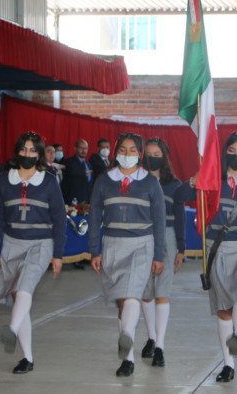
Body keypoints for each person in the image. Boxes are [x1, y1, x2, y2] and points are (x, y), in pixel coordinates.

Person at [173, 130, 237, 383]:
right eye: (231, 151)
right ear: (224, 152)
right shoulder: (211, 180)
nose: (236, 156)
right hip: (217, 248)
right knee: (224, 309)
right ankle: (228, 364)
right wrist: (194, 182)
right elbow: (179, 196)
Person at [88, 132, 166, 377]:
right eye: (123, 149)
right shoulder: (104, 180)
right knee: (122, 301)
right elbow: (93, 217)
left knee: (132, 294)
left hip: (142, 244)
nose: (128, 154)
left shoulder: (151, 182)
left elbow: (159, 220)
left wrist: (159, 255)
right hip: (112, 244)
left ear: (140, 154)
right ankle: (128, 356)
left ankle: (126, 345)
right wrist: (94, 250)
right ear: (115, 152)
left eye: (133, 150)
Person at [0, 131, 67, 374]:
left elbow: (59, 219)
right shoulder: (3, 180)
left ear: (40, 154)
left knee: (25, 288)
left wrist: (58, 254)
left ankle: (11, 329)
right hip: (12, 243)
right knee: (18, 297)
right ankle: (27, 358)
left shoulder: (49, 180)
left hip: (41, 243)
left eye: (33, 150)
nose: (28, 154)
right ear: (16, 151)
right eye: (24, 149)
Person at [138, 137, 184, 368]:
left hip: (167, 237)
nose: (152, 157)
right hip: (143, 238)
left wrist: (181, 249)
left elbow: (181, 218)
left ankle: (160, 347)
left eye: (157, 153)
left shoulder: (174, 185)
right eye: (149, 153)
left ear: (164, 157)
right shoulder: (138, 181)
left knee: (162, 292)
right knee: (146, 293)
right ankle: (151, 336)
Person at [61, 139, 93, 204]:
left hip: (87, 200)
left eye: (85, 148)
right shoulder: (69, 162)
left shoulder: (88, 164)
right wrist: (83, 173)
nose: (83, 150)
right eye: (81, 148)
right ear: (75, 149)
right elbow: (72, 174)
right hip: (73, 200)